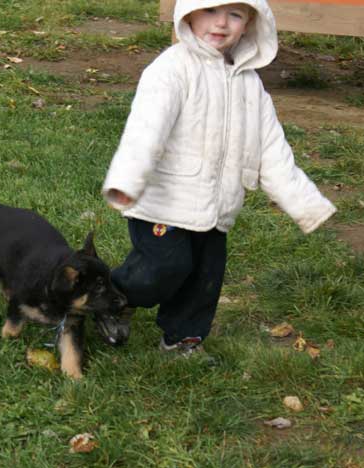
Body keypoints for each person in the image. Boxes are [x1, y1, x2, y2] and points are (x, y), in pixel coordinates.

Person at [101, 0, 336, 356]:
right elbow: (145, 131)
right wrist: (127, 180)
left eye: (236, 15)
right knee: (164, 267)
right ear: (189, 13)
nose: (222, 23)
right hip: (164, 205)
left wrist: (305, 203)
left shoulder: (250, 84)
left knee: (204, 278)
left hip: (217, 206)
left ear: (252, 23)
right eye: (211, 10)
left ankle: (183, 337)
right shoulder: (171, 69)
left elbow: (271, 149)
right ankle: (115, 296)